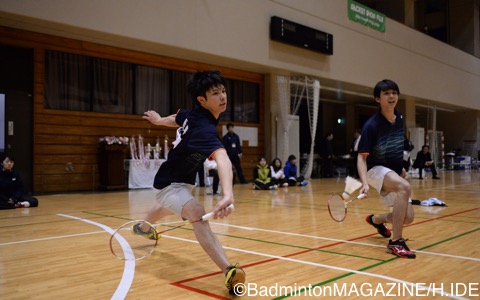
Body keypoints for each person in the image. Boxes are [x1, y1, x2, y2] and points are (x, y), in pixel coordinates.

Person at [137, 70, 245, 293]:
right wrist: (228, 194)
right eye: (215, 93)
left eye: (223, 91)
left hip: (182, 182)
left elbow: (175, 118)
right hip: (169, 184)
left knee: (165, 209)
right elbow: (223, 159)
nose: (223, 96)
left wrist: (159, 120)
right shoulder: (204, 129)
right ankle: (228, 271)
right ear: (202, 100)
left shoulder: (192, 114)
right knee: (196, 212)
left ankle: (143, 226)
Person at [357, 79, 415, 259]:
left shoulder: (400, 119)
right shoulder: (371, 125)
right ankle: (396, 243)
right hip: (375, 170)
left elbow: (398, 146)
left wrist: (401, 168)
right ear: (377, 99)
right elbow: (361, 156)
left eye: (394, 93)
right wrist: (365, 183)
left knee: (408, 217)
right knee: (404, 187)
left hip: (392, 172)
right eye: (387, 93)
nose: (392, 96)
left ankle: (376, 220)